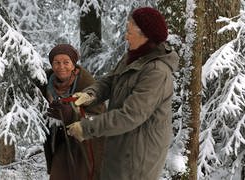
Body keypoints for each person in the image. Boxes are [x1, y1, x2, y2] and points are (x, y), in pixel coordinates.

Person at [67, 7, 179, 180]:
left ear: (146, 36)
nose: (126, 36)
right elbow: (110, 80)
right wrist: (90, 94)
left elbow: (130, 115)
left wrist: (86, 128)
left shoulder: (156, 72)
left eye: (129, 32)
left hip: (138, 156)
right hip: (121, 144)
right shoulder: (134, 57)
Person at [40, 44, 105, 180]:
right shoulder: (45, 81)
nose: (61, 67)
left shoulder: (86, 83)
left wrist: (71, 114)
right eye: (56, 62)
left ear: (73, 64)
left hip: (83, 142)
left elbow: (99, 116)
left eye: (66, 62)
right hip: (57, 140)